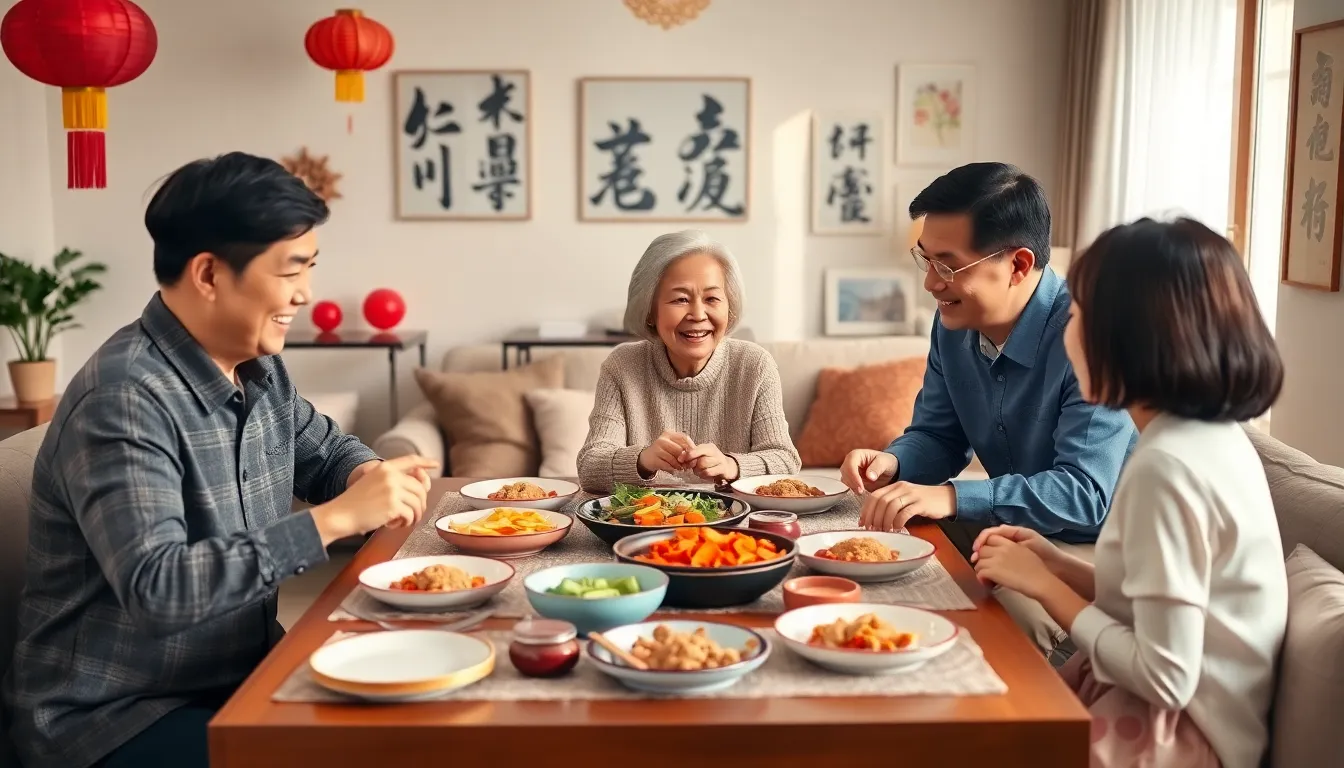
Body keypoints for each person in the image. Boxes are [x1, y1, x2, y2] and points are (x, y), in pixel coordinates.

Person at [2, 152, 439, 768]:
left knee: (421, 712)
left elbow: (325, 451)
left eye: (310, 269)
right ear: (208, 275)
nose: (306, 293)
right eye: (290, 271)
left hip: (236, 674)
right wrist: (335, 520)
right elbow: (160, 588)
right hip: (117, 716)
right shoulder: (124, 399)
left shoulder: (258, 367)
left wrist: (365, 473)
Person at [971, 217, 1287, 767]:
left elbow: (1166, 677)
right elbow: (1170, 602)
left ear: (1132, 336)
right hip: (1182, 719)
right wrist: (1059, 565)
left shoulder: (1167, 467)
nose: (1066, 331)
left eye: (1081, 314)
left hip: (1178, 739)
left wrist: (1045, 586)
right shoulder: (1206, 437)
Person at [840, 162, 1138, 659]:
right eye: (925, 260)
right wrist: (894, 461)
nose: (932, 284)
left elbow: (1085, 495)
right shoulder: (953, 324)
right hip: (1014, 525)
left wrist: (953, 499)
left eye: (949, 265)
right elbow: (937, 435)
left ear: (1019, 265)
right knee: (877, 548)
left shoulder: (1090, 334)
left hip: (1092, 545)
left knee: (973, 599)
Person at [578, 229, 800, 492]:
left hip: (734, 528)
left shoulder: (755, 366)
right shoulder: (623, 366)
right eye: (681, 299)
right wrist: (643, 460)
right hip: (645, 523)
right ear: (650, 311)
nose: (697, 314)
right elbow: (590, 467)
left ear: (729, 308)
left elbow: (786, 461)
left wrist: (732, 465)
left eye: (712, 299)